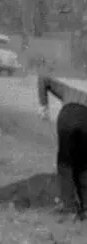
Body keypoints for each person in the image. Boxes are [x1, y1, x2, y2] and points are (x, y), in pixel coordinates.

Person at [38, 74, 87, 220]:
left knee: (65, 164)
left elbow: (43, 79)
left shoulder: (67, 90)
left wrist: (43, 106)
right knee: (84, 166)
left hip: (67, 120)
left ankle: (69, 208)